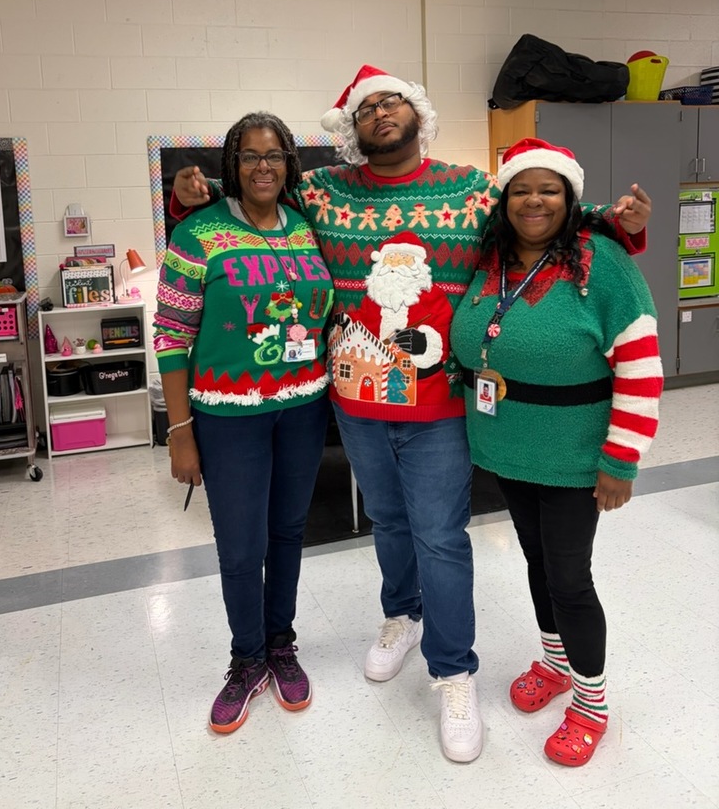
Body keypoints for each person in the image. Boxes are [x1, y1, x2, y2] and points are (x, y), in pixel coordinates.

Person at [171, 65, 651, 762]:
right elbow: (257, 196)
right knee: (390, 522)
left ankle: (454, 673)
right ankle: (402, 614)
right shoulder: (323, 192)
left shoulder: (469, 189)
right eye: (367, 108)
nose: (381, 113)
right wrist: (197, 194)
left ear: (417, 114)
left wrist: (618, 222)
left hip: (441, 405)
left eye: (393, 101)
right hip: (357, 402)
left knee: (442, 537)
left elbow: (541, 206)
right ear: (351, 128)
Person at [449, 137, 663, 766]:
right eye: (520, 189)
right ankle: (555, 661)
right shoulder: (491, 257)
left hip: (574, 456)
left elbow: (641, 366)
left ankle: (591, 704)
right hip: (508, 448)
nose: (534, 201)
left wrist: (620, 461)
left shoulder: (603, 262)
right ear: (503, 199)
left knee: (570, 578)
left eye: (550, 190)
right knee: (538, 562)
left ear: (571, 199)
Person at [153, 111, 334, 735]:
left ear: (289, 164)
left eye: (274, 154)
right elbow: (170, 337)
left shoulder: (307, 227)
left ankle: (280, 645)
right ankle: (247, 659)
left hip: (303, 408)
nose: (263, 165)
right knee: (240, 545)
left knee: (287, 533)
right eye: (250, 155)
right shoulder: (198, 234)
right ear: (233, 164)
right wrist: (180, 432)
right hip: (228, 416)